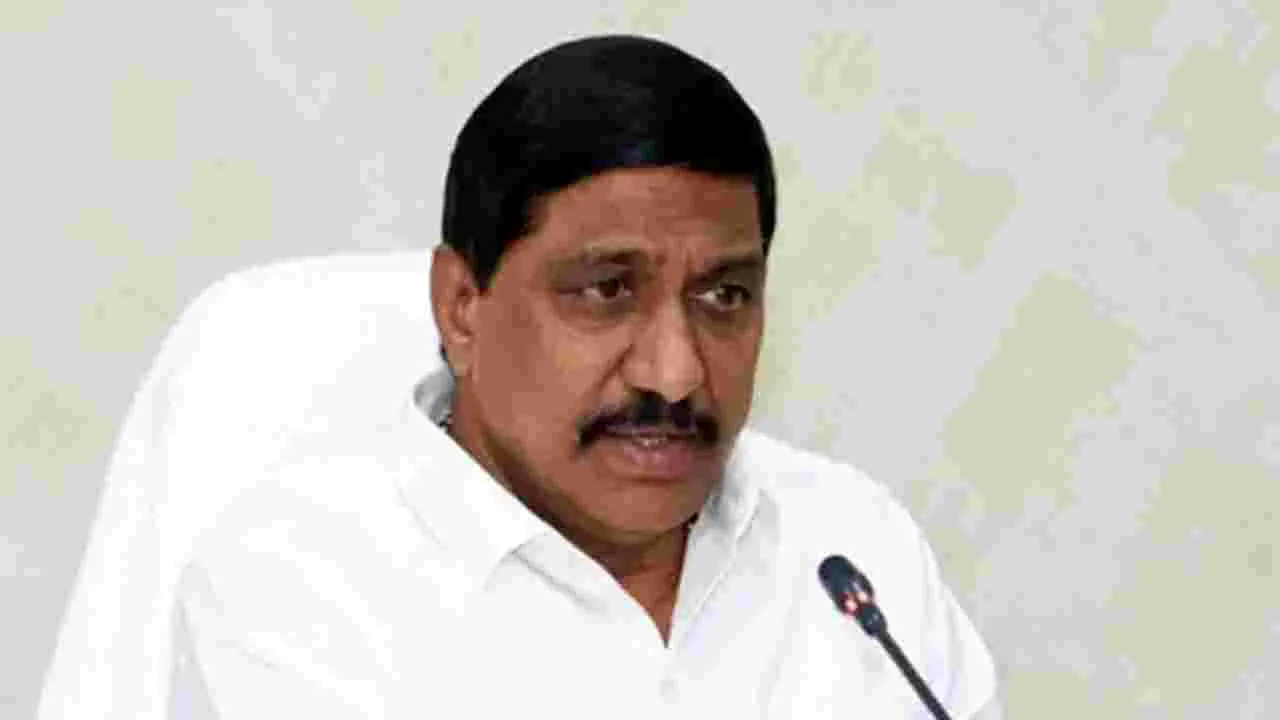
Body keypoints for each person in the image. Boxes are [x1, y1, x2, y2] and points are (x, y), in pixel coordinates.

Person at [45, 35, 1001, 719]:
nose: (675, 373)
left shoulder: (852, 548)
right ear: (462, 306)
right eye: (608, 291)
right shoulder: (298, 586)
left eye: (723, 297)